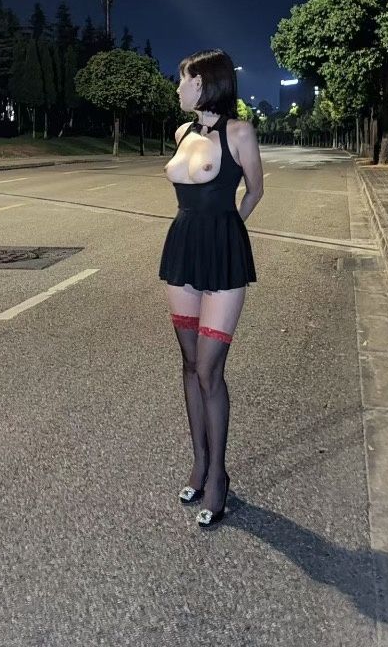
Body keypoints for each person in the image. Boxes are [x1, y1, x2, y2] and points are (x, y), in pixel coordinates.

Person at [159, 49, 264, 527]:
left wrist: (231, 228)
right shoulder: (181, 133)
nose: (178, 88)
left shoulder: (239, 132)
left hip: (223, 255)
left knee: (209, 369)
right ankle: (199, 463)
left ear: (204, 83)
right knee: (188, 363)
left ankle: (218, 476)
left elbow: (255, 190)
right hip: (182, 248)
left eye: (183, 80)